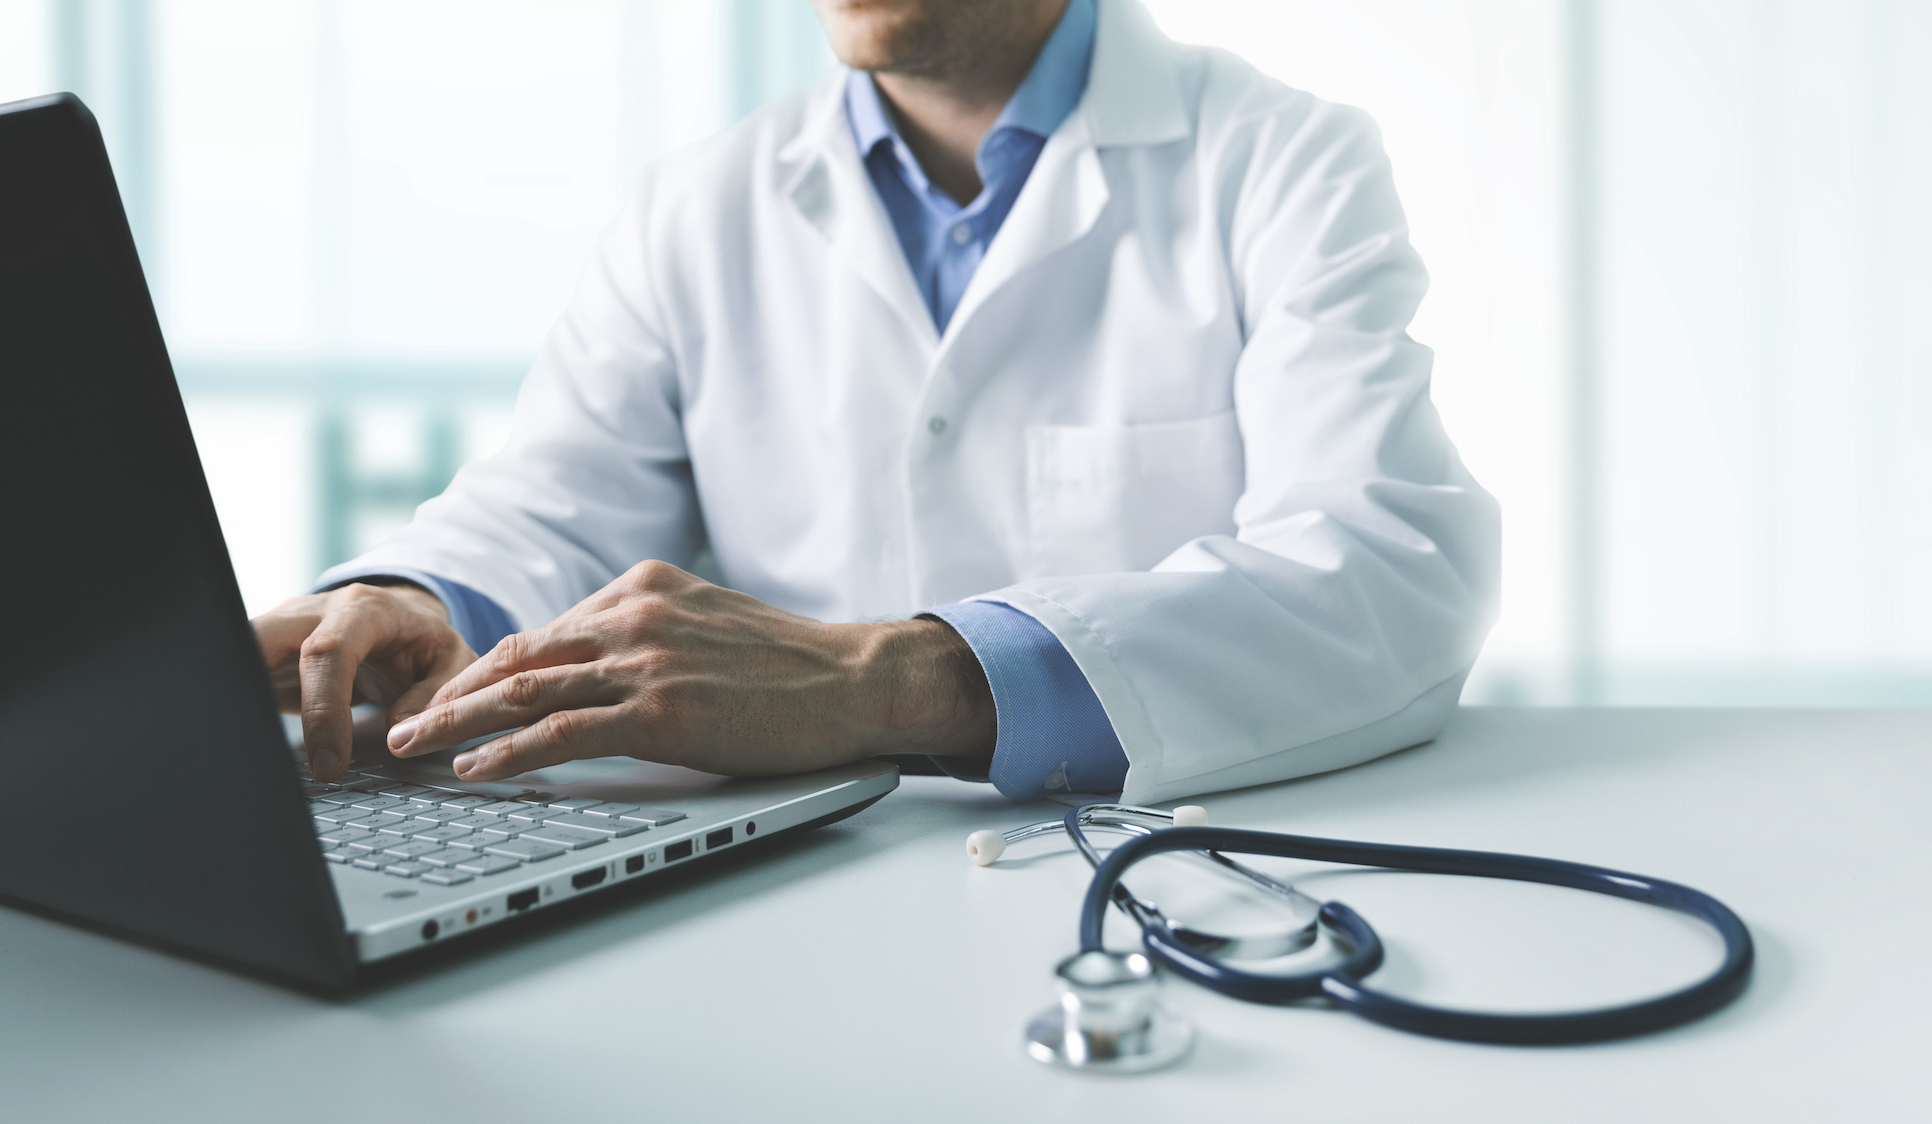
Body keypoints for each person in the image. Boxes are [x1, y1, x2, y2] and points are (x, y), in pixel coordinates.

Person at [252, 0, 1499, 807]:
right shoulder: (697, 206)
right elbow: (553, 499)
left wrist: (888, 680)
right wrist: (418, 603)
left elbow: (1387, 571)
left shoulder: (1279, 162)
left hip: (1166, 871)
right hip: (793, 892)